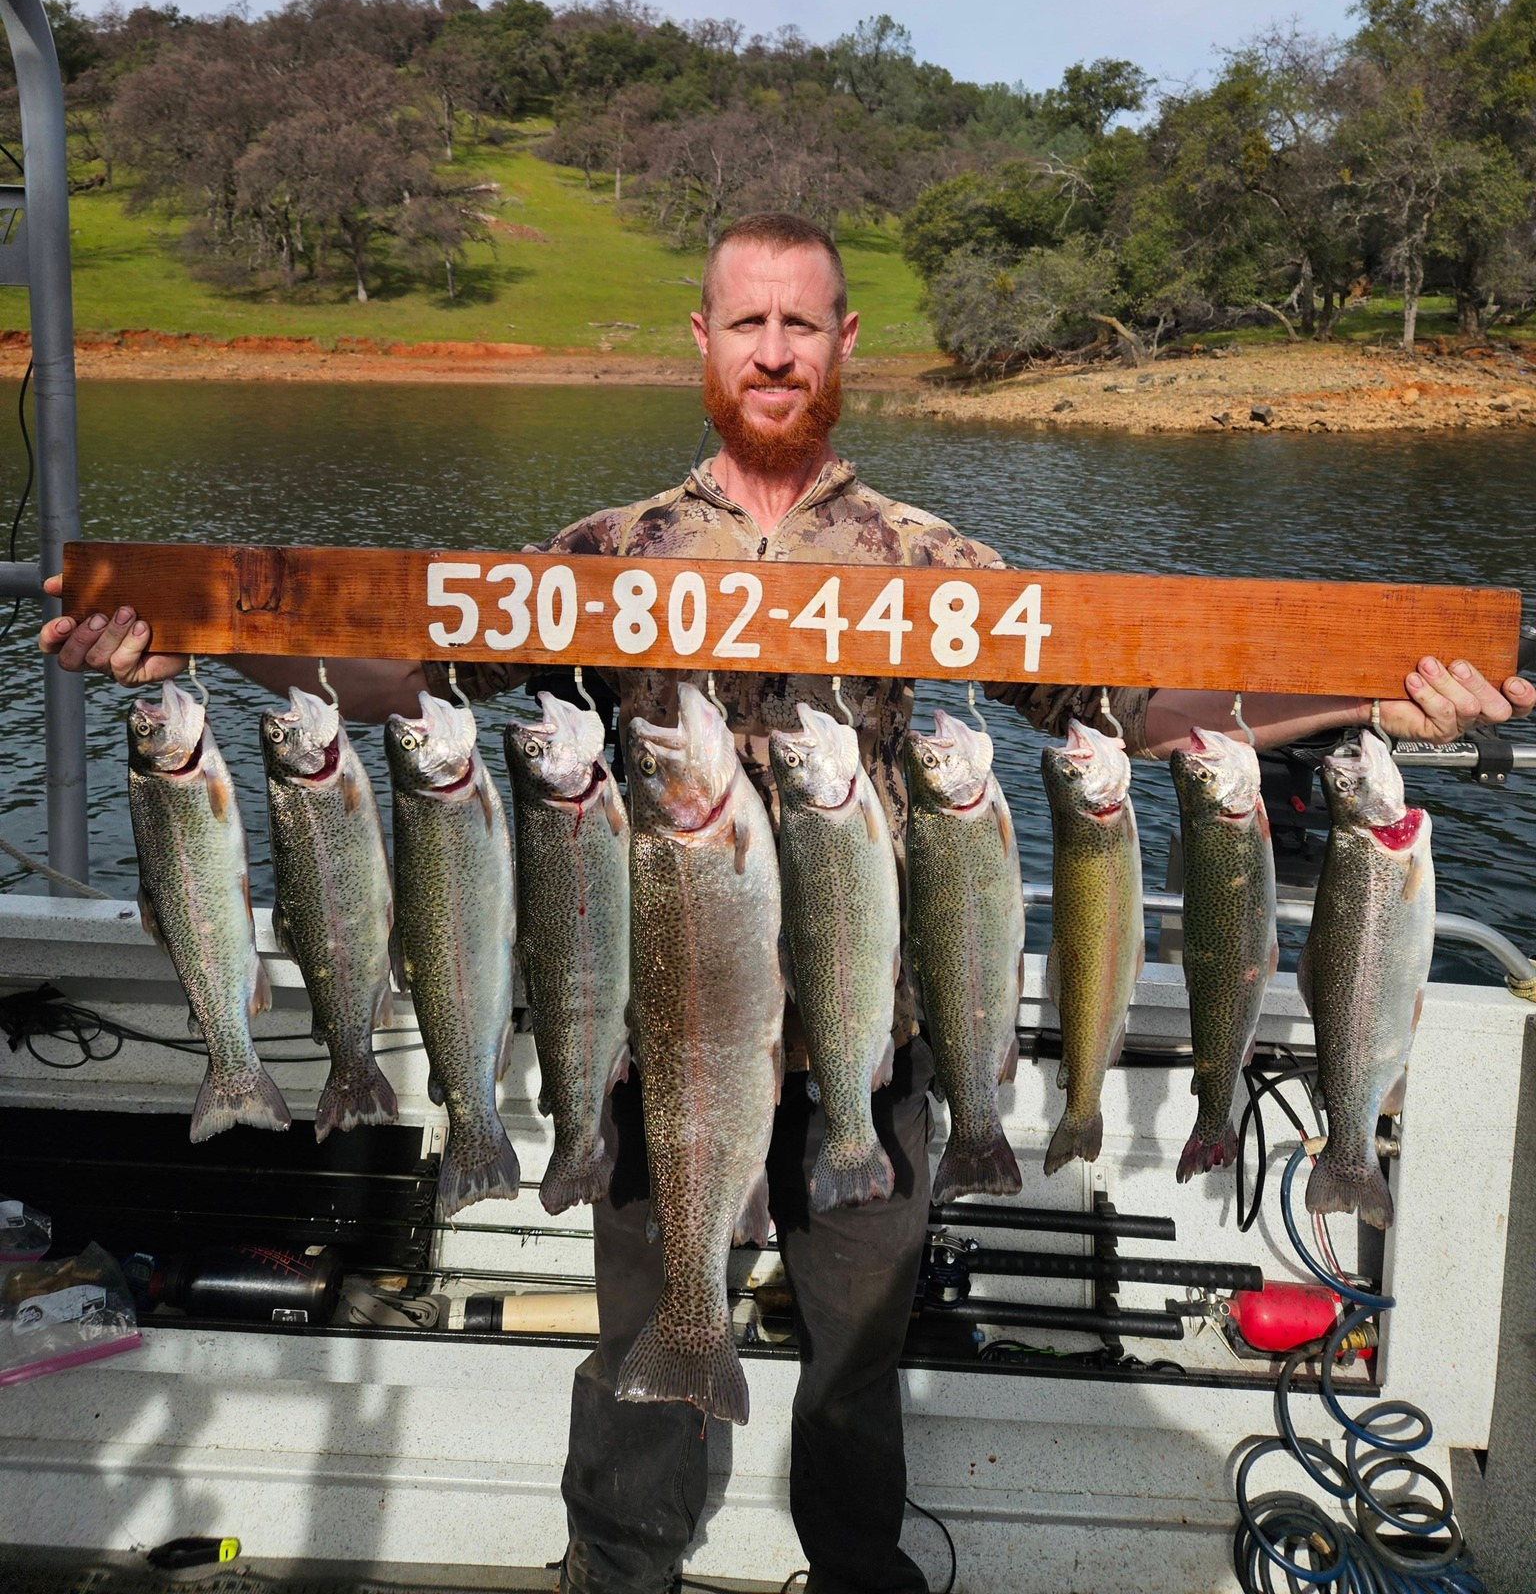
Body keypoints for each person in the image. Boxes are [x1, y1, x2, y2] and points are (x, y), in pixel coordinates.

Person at [39, 213, 1533, 1594]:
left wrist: (1374, 702)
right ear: (701, 338)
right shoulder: (600, 553)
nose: (772, 350)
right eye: (747, 321)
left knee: (855, 1376)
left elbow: (1140, 705)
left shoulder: (933, 560)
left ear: (844, 343)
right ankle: (617, 1574)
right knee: (638, 1364)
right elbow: (401, 682)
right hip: (660, 1047)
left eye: (801, 324)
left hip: (867, 1065)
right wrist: (197, 648)